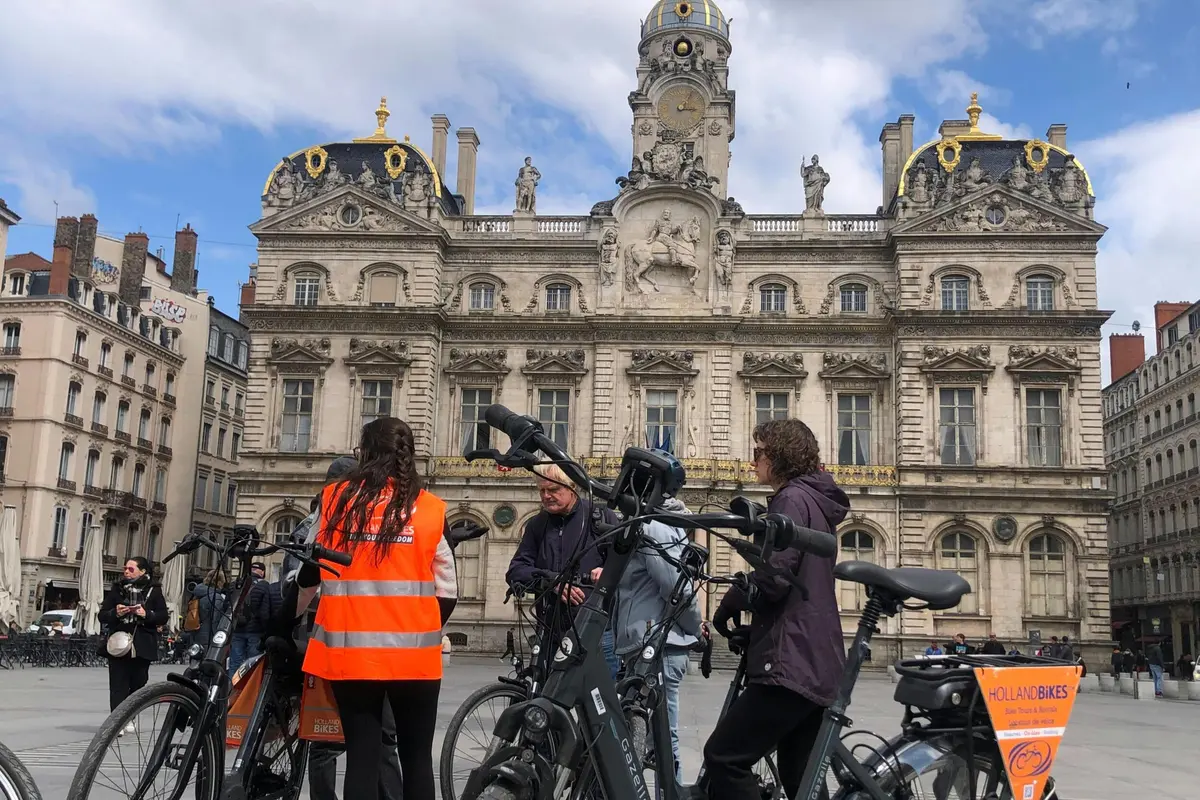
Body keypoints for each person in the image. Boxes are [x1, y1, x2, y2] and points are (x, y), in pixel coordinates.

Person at [302, 418, 457, 800]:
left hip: (351, 654)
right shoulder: (430, 508)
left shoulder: (335, 500)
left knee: (362, 757)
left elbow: (310, 571)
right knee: (417, 758)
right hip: (416, 658)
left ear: (365, 454)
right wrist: (425, 626)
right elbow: (448, 588)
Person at [702, 418, 850, 799]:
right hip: (816, 657)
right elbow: (800, 589)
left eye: (759, 453)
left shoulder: (791, 500)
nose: (753, 462)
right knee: (800, 780)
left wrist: (735, 596)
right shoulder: (816, 501)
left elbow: (776, 578)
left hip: (793, 664)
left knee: (724, 757)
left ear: (779, 456)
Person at [288, 456, 405, 800]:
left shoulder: (368, 526)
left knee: (352, 736)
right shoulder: (315, 526)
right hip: (334, 646)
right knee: (339, 737)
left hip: (355, 646)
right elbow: (297, 586)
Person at [591, 468, 703, 784]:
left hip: (659, 644)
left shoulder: (656, 526)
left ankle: (671, 792)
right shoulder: (646, 523)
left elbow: (675, 586)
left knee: (663, 742)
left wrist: (696, 627)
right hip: (643, 642)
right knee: (647, 739)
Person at [506, 463, 621, 679]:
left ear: (571, 487)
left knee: (599, 706)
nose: (546, 496)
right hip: (550, 631)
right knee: (548, 702)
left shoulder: (601, 518)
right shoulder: (537, 525)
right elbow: (516, 570)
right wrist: (554, 582)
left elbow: (627, 564)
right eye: (542, 490)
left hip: (596, 630)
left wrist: (606, 570)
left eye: (553, 490)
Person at [99, 557, 168, 734]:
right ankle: (117, 722)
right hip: (119, 641)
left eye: (131, 569)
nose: (126, 572)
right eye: (125, 569)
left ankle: (130, 715)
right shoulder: (117, 590)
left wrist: (147, 614)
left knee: (139, 681)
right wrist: (116, 612)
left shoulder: (154, 590)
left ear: (143, 571)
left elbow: (162, 616)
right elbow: (102, 615)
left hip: (143, 642)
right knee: (118, 683)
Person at [229, 561, 266, 673]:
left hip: (237, 628)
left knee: (235, 663)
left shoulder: (236, 584)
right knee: (253, 663)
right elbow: (265, 610)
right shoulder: (264, 586)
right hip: (256, 630)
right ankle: (250, 689)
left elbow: (227, 606)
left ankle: (232, 689)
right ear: (263, 572)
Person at [189, 569, 227, 663]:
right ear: (220, 582)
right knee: (207, 662)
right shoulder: (216, 597)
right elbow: (215, 620)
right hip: (209, 636)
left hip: (195, 632)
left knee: (196, 661)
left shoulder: (197, 594)